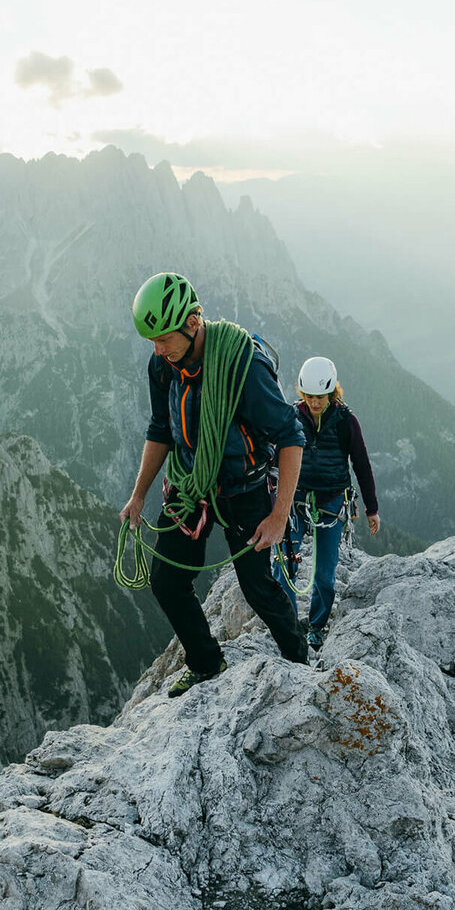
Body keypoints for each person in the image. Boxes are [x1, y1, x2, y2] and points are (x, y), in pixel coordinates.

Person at [120, 272, 308, 697]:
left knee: (258, 588)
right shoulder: (163, 364)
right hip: (190, 484)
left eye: (163, 338)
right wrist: (138, 495)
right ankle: (206, 662)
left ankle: (300, 664)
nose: (157, 349)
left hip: (245, 489)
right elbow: (160, 429)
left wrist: (279, 515)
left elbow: (291, 435)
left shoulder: (243, 364)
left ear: (192, 323)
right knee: (166, 580)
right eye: (151, 340)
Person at [273, 356, 380, 650]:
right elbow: (275, 456)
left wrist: (372, 508)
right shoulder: (292, 417)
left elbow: (361, 465)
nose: (314, 402)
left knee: (324, 574)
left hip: (332, 502)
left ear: (331, 393)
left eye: (319, 397)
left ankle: (317, 627)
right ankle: (288, 629)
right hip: (295, 500)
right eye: (308, 396)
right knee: (283, 566)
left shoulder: (346, 422)